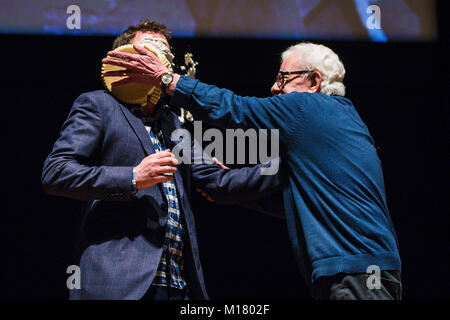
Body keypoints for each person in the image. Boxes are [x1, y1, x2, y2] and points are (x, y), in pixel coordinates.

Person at [103, 41, 402, 300]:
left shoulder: (308, 108)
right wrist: (217, 183)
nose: (274, 87)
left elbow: (236, 109)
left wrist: (167, 78)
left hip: (354, 272)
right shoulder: (341, 125)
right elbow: (280, 192)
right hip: (365, 271)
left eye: (283, 78)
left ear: (314, 81)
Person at [42, 20, 283, 300]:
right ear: (125, 60)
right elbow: (56, 173)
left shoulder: (174, 124)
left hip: (178, 284)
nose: (159, 61)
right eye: (149, 52)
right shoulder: (99, 105)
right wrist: (133, 178)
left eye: (165, 54)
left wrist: (286, 165)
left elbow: (218, 181)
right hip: (119, 285)